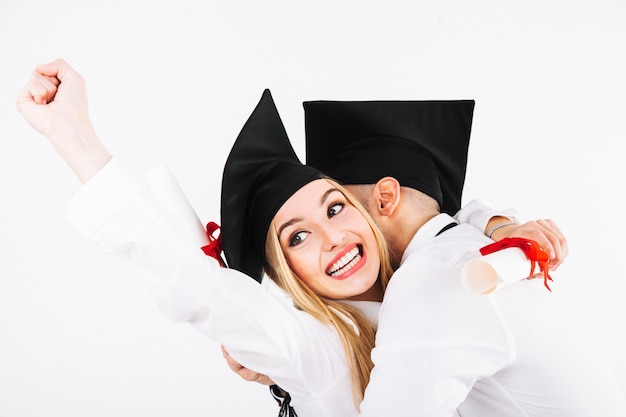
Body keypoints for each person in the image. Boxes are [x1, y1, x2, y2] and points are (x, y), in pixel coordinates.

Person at [16, 59, 526, 417]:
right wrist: (73, 135)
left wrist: (501, 225)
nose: (331, 237)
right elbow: (200, 288)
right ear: (284, 272)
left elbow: (449, 221)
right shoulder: (315, 346)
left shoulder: (433, 286)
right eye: (298, 237)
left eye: (334, 207)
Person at [301, 98, 626, 415]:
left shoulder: (430, 279)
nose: (332, 238)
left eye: (337, 209)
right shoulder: (464, 247)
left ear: (385, 198)